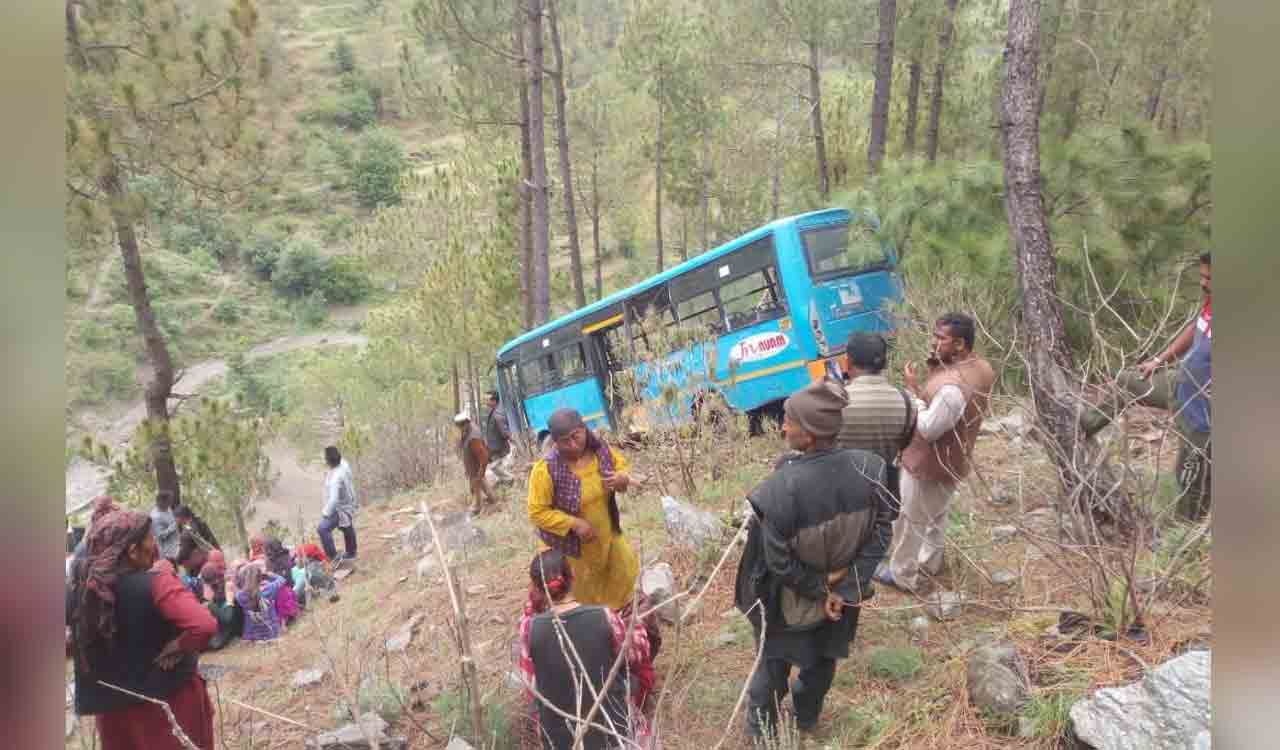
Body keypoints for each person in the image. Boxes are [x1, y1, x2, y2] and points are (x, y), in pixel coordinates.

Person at [733, 379, 894, 742]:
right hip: (843, 601)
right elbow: (883, 532)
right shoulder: (872, 468)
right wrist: (846, 586)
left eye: (788, 421)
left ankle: (761, 734)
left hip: (787, 604)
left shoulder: (777, 491)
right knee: (823, 661)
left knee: (772, 668)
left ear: (808, 434)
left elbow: (778, 565)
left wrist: (821, 589)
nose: (783, 427)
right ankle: (806, 716)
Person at [68, 506, 218, 749]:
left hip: (114, 714)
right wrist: (178, 645)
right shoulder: (157, 583)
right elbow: (204, 625)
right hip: (168, 707)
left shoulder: (81, 592)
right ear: (133, 551)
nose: (155, 544)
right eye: (150, 538)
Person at [1080, 252, 1212, 520]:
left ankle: (1183, 537)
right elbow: (1196, 326)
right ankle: (1081, 427)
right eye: (1202, 276)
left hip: (1201, 415)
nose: (1203, 283)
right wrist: (1160, 360)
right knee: (1127, 382)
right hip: (1179, 383)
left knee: (1190, 479)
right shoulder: (1212, 300)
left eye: (1209, 278)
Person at [875, 312, 995, 594]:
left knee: (910, 521)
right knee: (936, 514)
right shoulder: (981, 368)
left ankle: (902, 575)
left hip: (929, 463)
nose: (933, 342)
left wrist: (912, 394)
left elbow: (929, 429)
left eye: (941, 338)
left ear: (960, 344)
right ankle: (930, 563)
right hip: (955, 459)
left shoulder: (952, 387)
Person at [516, 549, 655, 750]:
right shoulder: (604, 616)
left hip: (559, 741)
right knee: (637, 674)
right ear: (572, 576)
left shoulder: (529, 628)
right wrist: (635, 623)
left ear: (536, 589)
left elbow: (530, 687)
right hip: (613, 733)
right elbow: (637, 653)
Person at [527, 408, 638, 611]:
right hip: (571, 547)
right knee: (582, 592)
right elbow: (537, 512)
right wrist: (574, 523)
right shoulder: (546, 470)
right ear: (555, 442)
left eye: (575, 436)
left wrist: (622, 477)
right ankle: (591, 621)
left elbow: (621, 467)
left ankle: (617, 618)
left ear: (584, 429)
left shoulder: (601, 451)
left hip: (606, 534)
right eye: (564, 441)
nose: (572, 444)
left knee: (623, 572)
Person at [837, 331, 917, 503]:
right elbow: (906, 443)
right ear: (885, 363)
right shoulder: (907, 401)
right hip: (887, 493)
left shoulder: (836, 402)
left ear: (848, 363)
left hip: (847, 494)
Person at [318, 445, 359, 563]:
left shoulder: (335, 478)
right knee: (346, 526)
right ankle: (351, 552)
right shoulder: (344, 464)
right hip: (349, 501)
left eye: (325, 458)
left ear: (328, 461)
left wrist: (326, 512)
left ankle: (333, 557)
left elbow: (334, 499)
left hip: (340, 507)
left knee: (323, 529)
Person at [456, 411, 498, 511]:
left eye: (461, 425)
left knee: (476, 486)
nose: (460, 428)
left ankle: (477, 506)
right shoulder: (468, 430)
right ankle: (493, 500)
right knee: (482, 482)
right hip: (473, 466)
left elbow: (484, 456)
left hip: (476, 467)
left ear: (466, 422)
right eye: (459, 425)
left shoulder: (473, 438)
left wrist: (481, 471)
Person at [235, 564, 287, 642]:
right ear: (260, 577)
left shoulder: (240, 595)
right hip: (271, 634)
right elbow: (282, 580)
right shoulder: (269, 589)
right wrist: (270, 574)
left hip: (252, 636)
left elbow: (238, 589)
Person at [484, 390, 517, 487]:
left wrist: (512, 441)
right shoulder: (494, 411)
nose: (486, 401)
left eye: (487, 399)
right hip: (494, 448)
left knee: (495, 467)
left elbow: (504, 431)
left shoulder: (497, 413)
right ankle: (505, 484)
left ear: (494, 401)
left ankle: (510, 479)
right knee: (498, 467)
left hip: (499, 448)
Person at [150, 489, 181, 564]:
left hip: (175, 546)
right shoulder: (155, 517)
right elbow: (160, 535)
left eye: (170, 501)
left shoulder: (168, 509)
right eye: (168, 501)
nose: (170, 503)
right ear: (161, 501)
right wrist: (175, 525)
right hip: (166, 553)